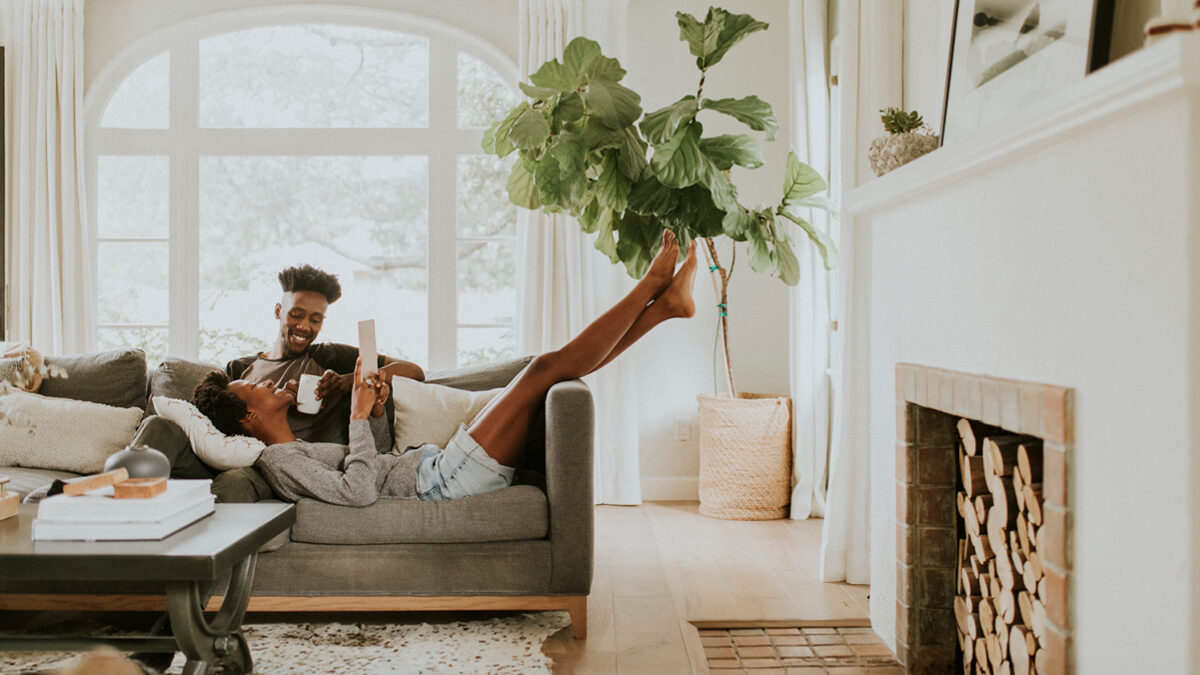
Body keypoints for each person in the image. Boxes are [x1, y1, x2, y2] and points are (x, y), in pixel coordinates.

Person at [194, 232, 698, 505]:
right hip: (443, 478)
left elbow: (408, 378)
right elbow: (360, 490)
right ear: (249, 418)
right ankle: (649, 291)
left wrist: (360, 390)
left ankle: (664, 307)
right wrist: (357, 417)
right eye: (252, 390)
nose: (305, 325)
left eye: (316, 317)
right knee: (544, 369)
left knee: (550, 374)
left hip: (440, 464)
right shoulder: (277, 458)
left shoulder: (303, 418)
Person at [226, 264, 424, 444]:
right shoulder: (240, 369)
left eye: (315, 319)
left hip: (325, 467)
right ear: (278, 311)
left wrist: (346, 383)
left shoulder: (330, 356)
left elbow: (414, 371)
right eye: (296, 314)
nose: (304, 326)